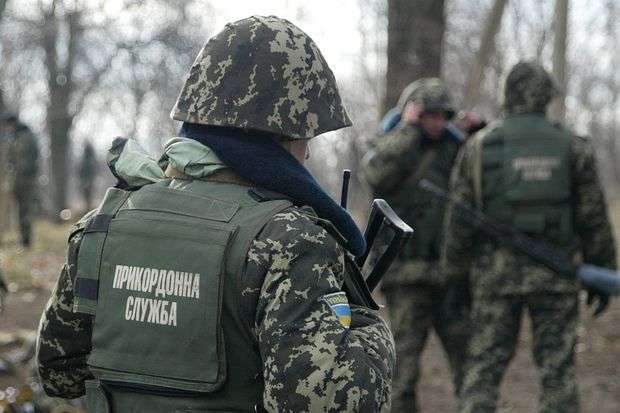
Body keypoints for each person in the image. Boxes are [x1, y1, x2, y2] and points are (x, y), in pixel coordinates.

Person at [36, 16, 395, 413]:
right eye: (306, 137)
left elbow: (59, 373)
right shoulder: (291, 241)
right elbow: (329, 404)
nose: (308, 152)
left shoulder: (102, 225)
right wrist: (365, 323)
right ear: (282, 135)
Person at [442, 61, 617, 413]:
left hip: (495, 280)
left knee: (483, 371)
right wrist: (602, 270)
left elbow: (458, 222)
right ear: (545, 96)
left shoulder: (478, 147)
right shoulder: (572, 146)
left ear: (508, 94)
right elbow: (593, 218)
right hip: (556, 277)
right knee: (558, 374)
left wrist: (454, 279)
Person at [363, 78, 468, 411]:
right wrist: (408, 130)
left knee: (469, 364)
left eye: (442, 116)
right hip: (406, 274)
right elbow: (376, 175)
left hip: (448, 273)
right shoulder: (393, 144)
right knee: (402, 372)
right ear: (413, 113)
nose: (437, 123)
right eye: (429, 115)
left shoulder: (455, 148)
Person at [1, 114, 39, 248]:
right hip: (16, 180)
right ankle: (22, 239)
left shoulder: (27, 136)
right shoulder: (13, 137)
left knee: (25, 210)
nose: (7, 129)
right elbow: (10, 158)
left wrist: (22, 170)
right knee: (19, 211)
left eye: (8, 126)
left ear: (13, 124)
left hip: (26, 180)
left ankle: (26, 241)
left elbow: (31, 158)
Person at [78, 141, 98, 212]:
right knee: (87, 197)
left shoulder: (90, 160)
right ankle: (87, 209)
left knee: (88, 196)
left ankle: (88, 209)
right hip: (86, 181)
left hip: (88, 181)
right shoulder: (89, 159)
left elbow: (92, 171)